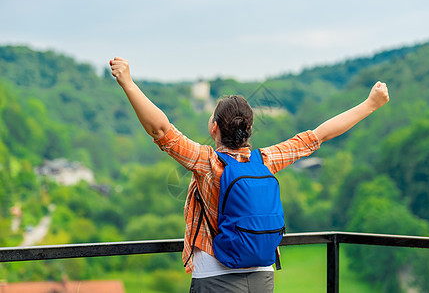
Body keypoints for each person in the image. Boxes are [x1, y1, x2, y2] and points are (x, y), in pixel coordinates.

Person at [109, 56, 389, 293]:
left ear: (214, 128)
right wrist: (371, 104)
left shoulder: (207, 162)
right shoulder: (266, 161)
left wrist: (128, 83)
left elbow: (161, 130)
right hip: (262, 275)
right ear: (250, 130)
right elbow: (318, 136)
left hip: (214, 276)